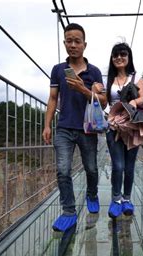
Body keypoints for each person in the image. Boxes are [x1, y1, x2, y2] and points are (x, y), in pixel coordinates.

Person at [42, 23, 106, 232]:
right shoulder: (58, 70)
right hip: (64, 128)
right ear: (64, 43)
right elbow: (53, 98)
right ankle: (69, 211)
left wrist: (84, 89)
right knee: (62, 170)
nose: (73, 45)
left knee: (91, 168)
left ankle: (92, 194)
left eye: (77, 41)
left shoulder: (94, 71)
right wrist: (47, 125)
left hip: (88, 128)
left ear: (84, 45)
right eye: (69, 40)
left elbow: (103, 102)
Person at [101, 42, 143, 218]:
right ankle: (116, 199)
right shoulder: (108, 80)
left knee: (129, 166)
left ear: (128, 57)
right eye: (115, 55)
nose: (119, 58)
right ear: (112, 59)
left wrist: (133, 103)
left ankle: (127, 199)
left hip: (132, 125)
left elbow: (142, 97)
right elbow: (104, 102)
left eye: (123, 54)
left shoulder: (136, 77)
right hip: (113, 125)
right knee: (118, 165)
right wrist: (94, 91)